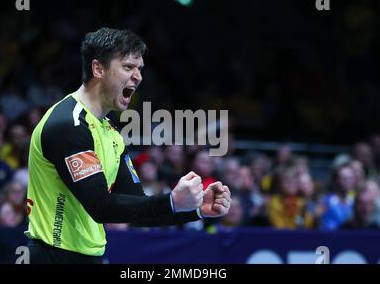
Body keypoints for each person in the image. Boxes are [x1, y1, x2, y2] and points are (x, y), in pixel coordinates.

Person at [25, 27, 232, 264]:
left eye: (139, 69)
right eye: (127, 67)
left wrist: (194, 210)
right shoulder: (68, 125)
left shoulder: (110, 132)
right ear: (98, 68)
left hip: (90, 257)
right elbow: (101, 206)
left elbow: (138, 209)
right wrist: (172, 201)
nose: (138, 76)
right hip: (52, 257)